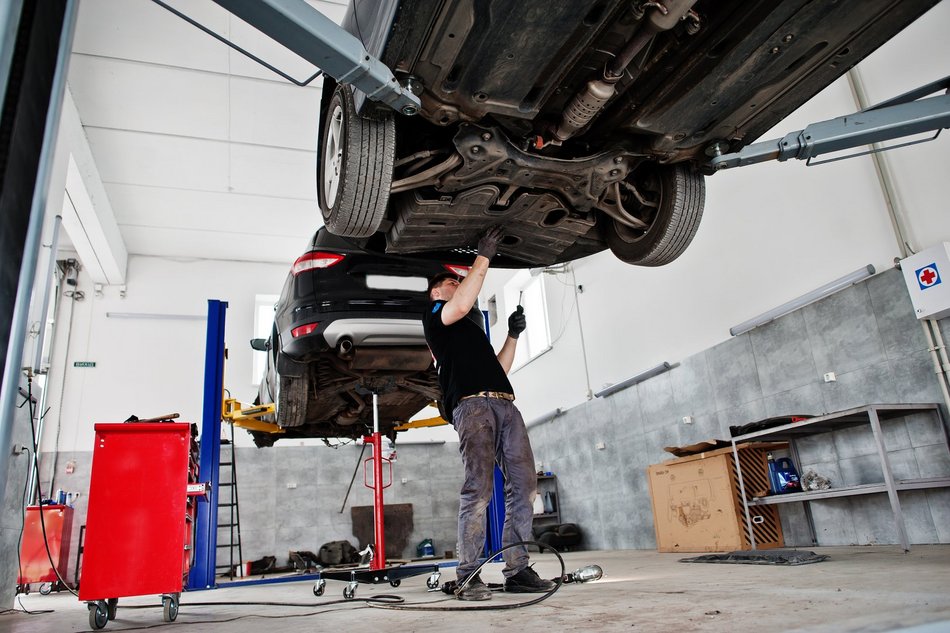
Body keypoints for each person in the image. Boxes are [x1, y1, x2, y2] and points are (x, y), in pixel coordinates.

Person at [423, 227, 556, 601]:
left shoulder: (471, 330)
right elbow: (462, 303)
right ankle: (467, 575)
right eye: (453, 281)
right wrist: (483, 257)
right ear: (438, 292)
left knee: (525, 487)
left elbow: (500, 369)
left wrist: (513, 335)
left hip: (504, 404)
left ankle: (517, 570)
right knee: (478, 490)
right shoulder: (436, 317)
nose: (460, 284)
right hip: (472, 407)